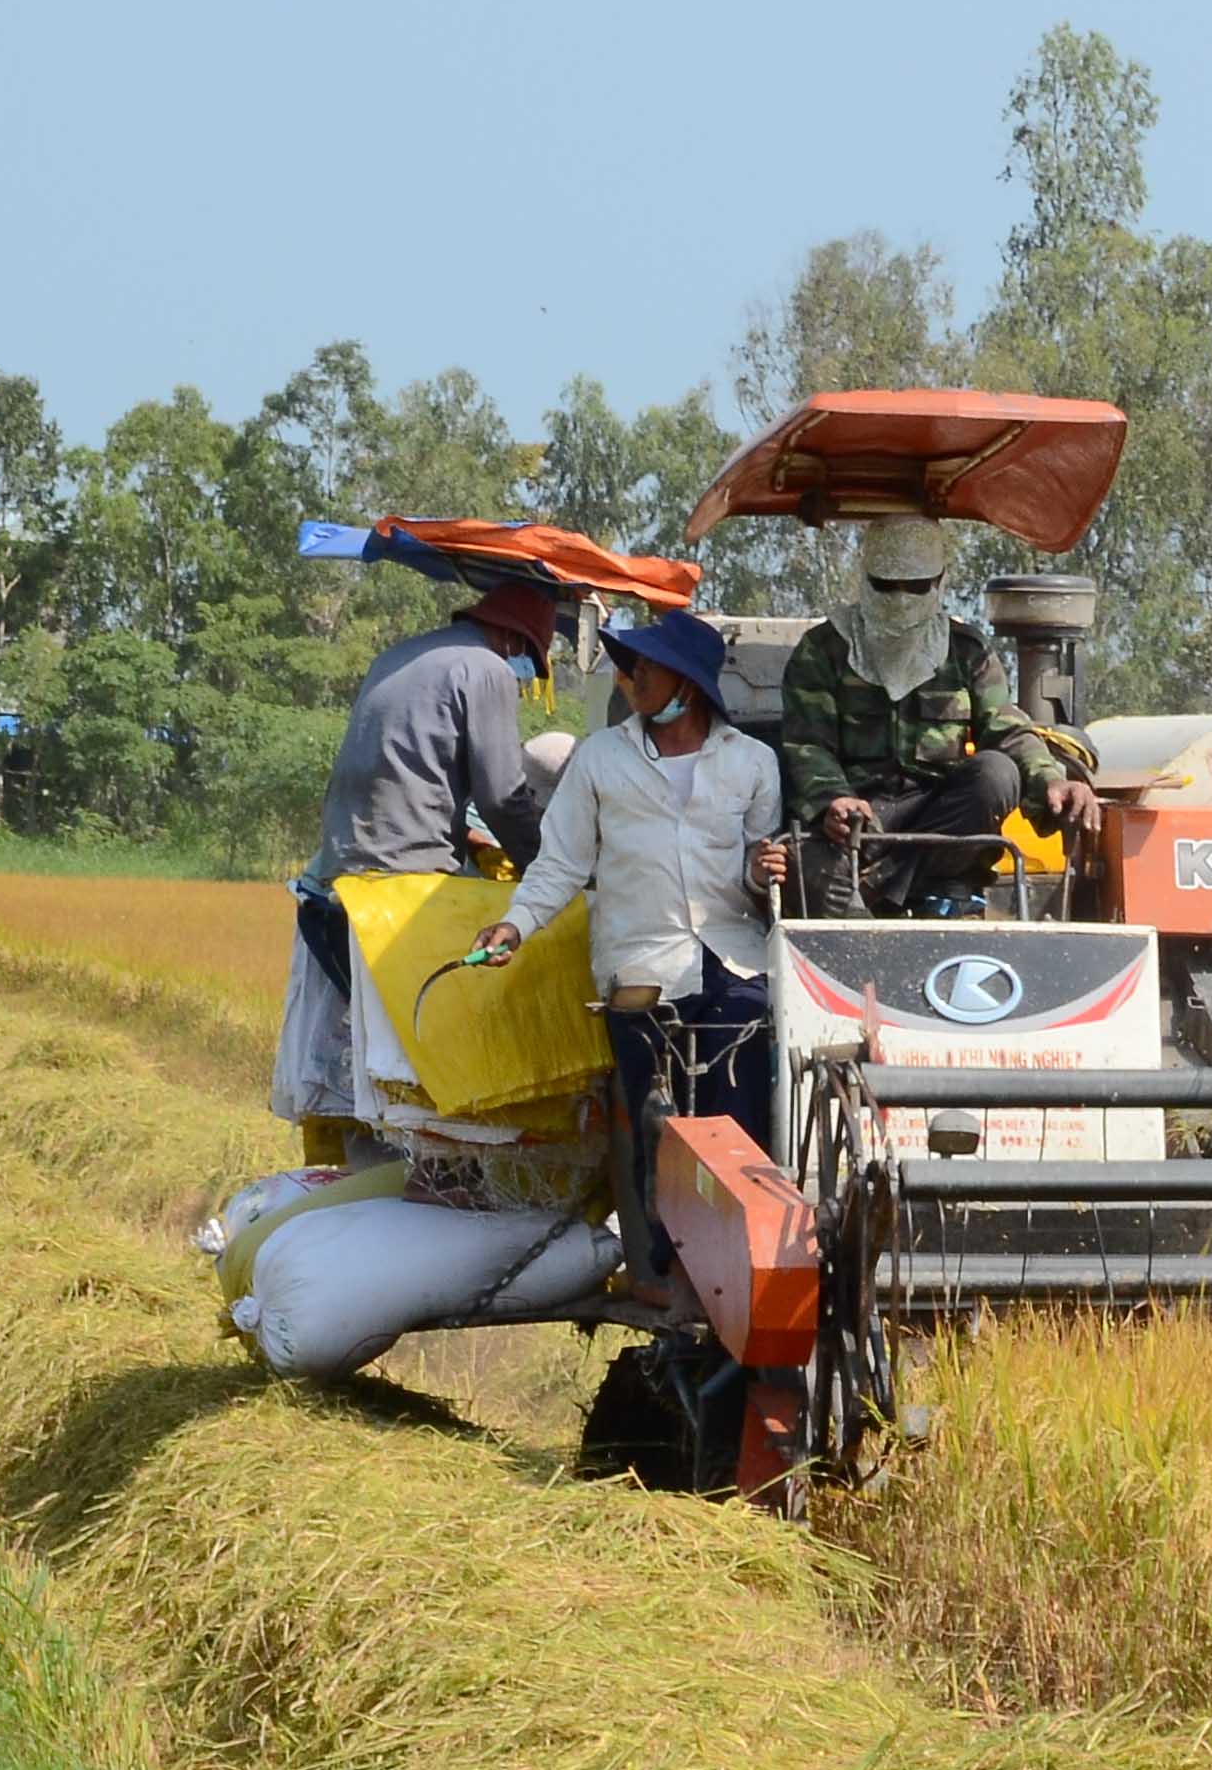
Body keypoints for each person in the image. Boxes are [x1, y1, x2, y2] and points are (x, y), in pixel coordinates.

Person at [470, 612, 788, 1268]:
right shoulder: (600, 759)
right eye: (626, 664)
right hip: (640, 957)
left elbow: (765, 881)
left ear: (689, 684)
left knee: (745, 1075)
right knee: (657, 1112)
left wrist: (762, 874)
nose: (629, 676)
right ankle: (668, 1266)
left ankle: (746, 1255)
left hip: (733, 950)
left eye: (643, 666)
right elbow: (560, 862)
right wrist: (515, 925)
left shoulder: (753, 763)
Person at [269, 576, 560, 1144]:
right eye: (531, 661)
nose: (526, 675)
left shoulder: (400, 654)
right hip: (409, 875)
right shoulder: (488, 669)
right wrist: (552, 874)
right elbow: (503, 796)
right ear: (516, 640)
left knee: (364, 1053)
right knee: (451, 1026)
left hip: (342, 872)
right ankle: (459, 1145)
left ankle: (363, 1152)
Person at [779, 515, 1096, 917]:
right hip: (857, 823)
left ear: (940, 581)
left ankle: (877, 887)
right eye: (886, 587)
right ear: (865, 579)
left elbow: (1008, 729)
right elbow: (808, 744)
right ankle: (884, 884)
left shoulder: (966, 651)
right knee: (800, 866)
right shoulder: (822, 650)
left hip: (943, 821)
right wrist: (832, 801)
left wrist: (1052, 781)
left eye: (915, 588)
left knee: (996, 772)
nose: (900, 600)